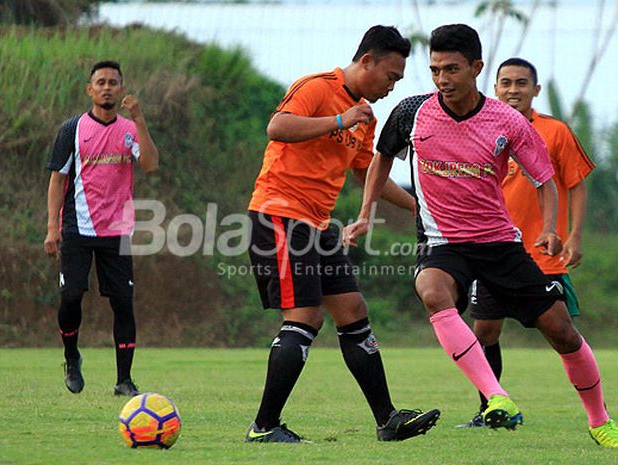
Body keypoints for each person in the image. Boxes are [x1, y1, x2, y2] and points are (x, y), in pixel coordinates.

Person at [343, 24, 617, 447]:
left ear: (476, 67)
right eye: (435, 70)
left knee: (561, 331)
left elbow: (544, 179)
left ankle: (600, 421)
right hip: (443, 242)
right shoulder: (412, 112)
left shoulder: (507, 121)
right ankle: (496, 396)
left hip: (500, 244)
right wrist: (365, 213)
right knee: (432, 291)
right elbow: (381, 159)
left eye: (452, 69)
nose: (442, 80)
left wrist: (548, 228)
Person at [245, 25, 439, 444]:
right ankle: (264, 427)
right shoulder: (317, 88)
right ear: (366, 60)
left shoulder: (364, 117)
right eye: (390, 76)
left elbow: (362, 174)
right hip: (278, 215)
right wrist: (338, 119)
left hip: (317, 225)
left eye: (398, 81)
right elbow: (277, 128)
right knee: (306, 316)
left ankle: (387, 419)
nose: (392, 86)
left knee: (352, 308)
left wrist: (417, 203)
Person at [457, 57, 596, 428]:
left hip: (541, 254)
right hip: (491, 250)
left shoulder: (555, 131)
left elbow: (576, 183)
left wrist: (574, 236)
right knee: (483, 332)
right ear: (495, 87)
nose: (513, 90)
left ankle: (595, 412)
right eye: (505, 83)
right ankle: (491, 411)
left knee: (562, 333)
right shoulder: (477, 129)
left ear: (535, 90)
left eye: (521, 83)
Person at [44, 61, 159, 396]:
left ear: (122, 89)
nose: (107, 87)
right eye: (101, 82)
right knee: (70, 297)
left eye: (113, 82)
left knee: (123, 303)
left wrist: (139, 118)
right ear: (89, 90)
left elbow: (150, 165)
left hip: (117, 231)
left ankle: (124, 380)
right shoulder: (72, 129)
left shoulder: (129, 128)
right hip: (77, 228)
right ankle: (71, 356)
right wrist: (52, 227)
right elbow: (57, 178)